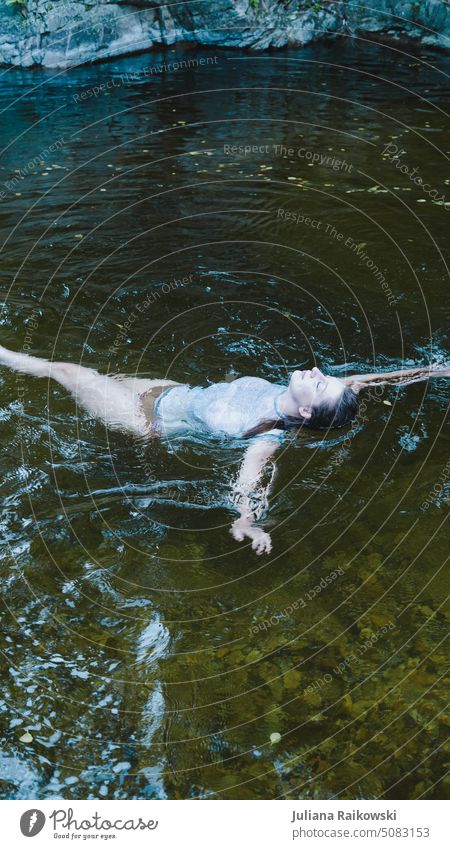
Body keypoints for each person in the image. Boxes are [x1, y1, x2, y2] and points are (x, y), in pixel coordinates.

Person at [0, 343, 448, 554]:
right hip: (169, 389)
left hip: (144, 419)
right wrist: (432, 371)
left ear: (308, 413)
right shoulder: (310, 395)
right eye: (321, 374)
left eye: (319, 382)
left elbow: (249, 481)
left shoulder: (266, 435)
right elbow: (370, 379)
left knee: (63, 370)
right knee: (93, 372)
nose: (315, 370)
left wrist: (247, 521)